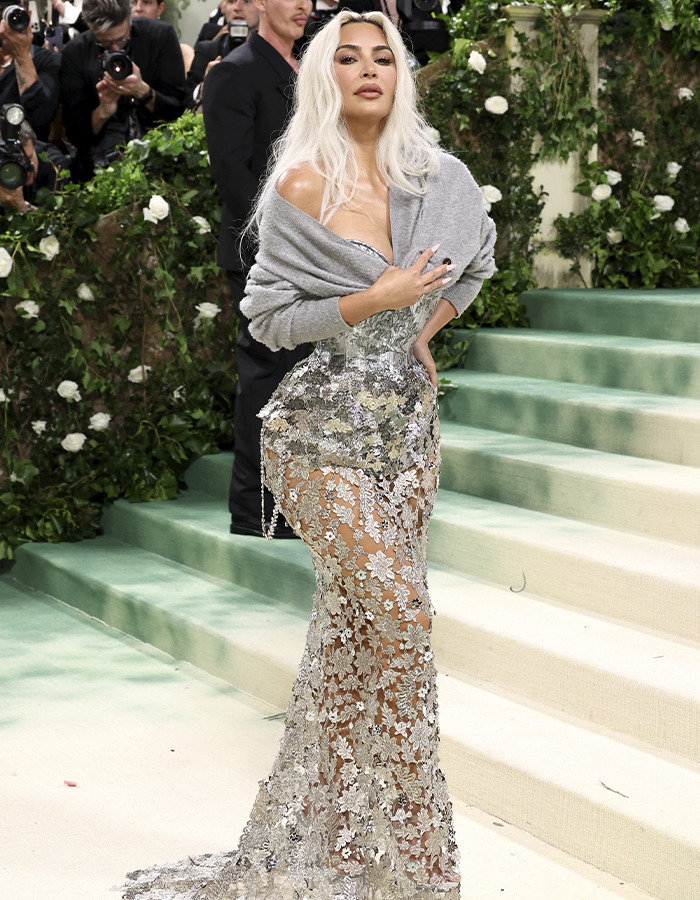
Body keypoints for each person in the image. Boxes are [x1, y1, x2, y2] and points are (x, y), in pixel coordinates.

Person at [121, 11, 495, 900]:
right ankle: (416, 865)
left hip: (407, 436)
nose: (369, 71)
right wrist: (376, 301)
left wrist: (422, 327)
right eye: (349, 58)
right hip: (317, 434)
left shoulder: (440, 177)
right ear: (325, 78)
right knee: (401, 617)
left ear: (400, 76)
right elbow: (268, 315)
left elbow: (476, 261)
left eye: (383, 58)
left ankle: (324, 850)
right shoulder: (299, 183)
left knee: (355, 637)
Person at [202, 0, 312, 539]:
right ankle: (255, 510)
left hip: (311, 255)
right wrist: (286, 239)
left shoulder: (309, 71)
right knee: (265, 378)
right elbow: (232, 175)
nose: (303, 5)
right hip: (262, 255)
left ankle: (297, 502)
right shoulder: (234, 73)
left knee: (299, 379)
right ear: (259, 4)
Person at [59, 0, 185, 180]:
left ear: (129, 20)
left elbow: (178, 111)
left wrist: (144, 92)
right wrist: (104, 110)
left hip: (162, 157)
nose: (116, 49)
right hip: (97, 167)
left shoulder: (160, 36)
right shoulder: (75, 52)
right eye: (105, 44)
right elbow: (75, 136)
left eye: (121, 40)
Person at [0, 2, 60, 141]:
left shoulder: (46, 61)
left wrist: (22, 55)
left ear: (28, 15)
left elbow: (40, 117)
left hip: (27, 151)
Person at [187, 0, 259, 106]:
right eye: (231, 1)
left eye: (247, 1)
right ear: (224, 9)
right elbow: (186, 109)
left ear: (262, 6)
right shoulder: (207, 50)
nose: (237, 8)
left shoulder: (274, 51)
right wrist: (205, 87)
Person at [0, 119, 71, 213]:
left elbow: (54, 219)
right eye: (19, 162)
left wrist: (21, 206)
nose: (28, 169)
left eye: (29, 157)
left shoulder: (54, 164)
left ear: (34, 146)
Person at [130, 0, 195, 74]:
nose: (138, 8)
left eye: (146, 2)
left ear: (160, 9)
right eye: (132, 3)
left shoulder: (166, 37)